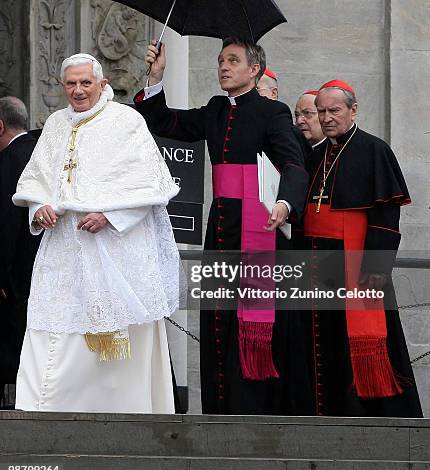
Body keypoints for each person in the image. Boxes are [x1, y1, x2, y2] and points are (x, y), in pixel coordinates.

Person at [134, 37, 309, 415]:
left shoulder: (273, 112)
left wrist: (285, 202)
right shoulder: (215, 109)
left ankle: (254, 407)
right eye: (219, 61)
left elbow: (294, 164)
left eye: (232, 60)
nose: (223, 67)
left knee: (251, 318)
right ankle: (217, 405)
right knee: (217, 317)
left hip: (258, 224)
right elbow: (167, 122)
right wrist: (157, 76)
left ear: (254, 69)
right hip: (221, 226)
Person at [12, 53, 181, 414]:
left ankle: (119, 413)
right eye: (70, 84)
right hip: (63, 247)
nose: (78, 90)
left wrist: (110, 214)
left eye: (85, 82)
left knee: (111, 346)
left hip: (113, 250)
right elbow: (36, 180)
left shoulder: (127, 121)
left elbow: (151, 187)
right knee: (53, 324)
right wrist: (37, 207)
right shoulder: (56, 124)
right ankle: (45, 408)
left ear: (102, 84)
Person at [301, 78, 422, 417]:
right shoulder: (315, 155)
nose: (327, 117)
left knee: (359, 343)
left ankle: (369, 414)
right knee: (323, 339)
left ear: (353, 110)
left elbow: (386, 214)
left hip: (357, 264)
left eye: (334, 110)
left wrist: (376, 267)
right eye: (321, 111)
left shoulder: (374, 150)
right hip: (318, 262)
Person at [0, 97, 41, 407]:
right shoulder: (43, 152)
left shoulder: (9, 159)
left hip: (16, 279)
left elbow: (5, 224)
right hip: (47, 269)